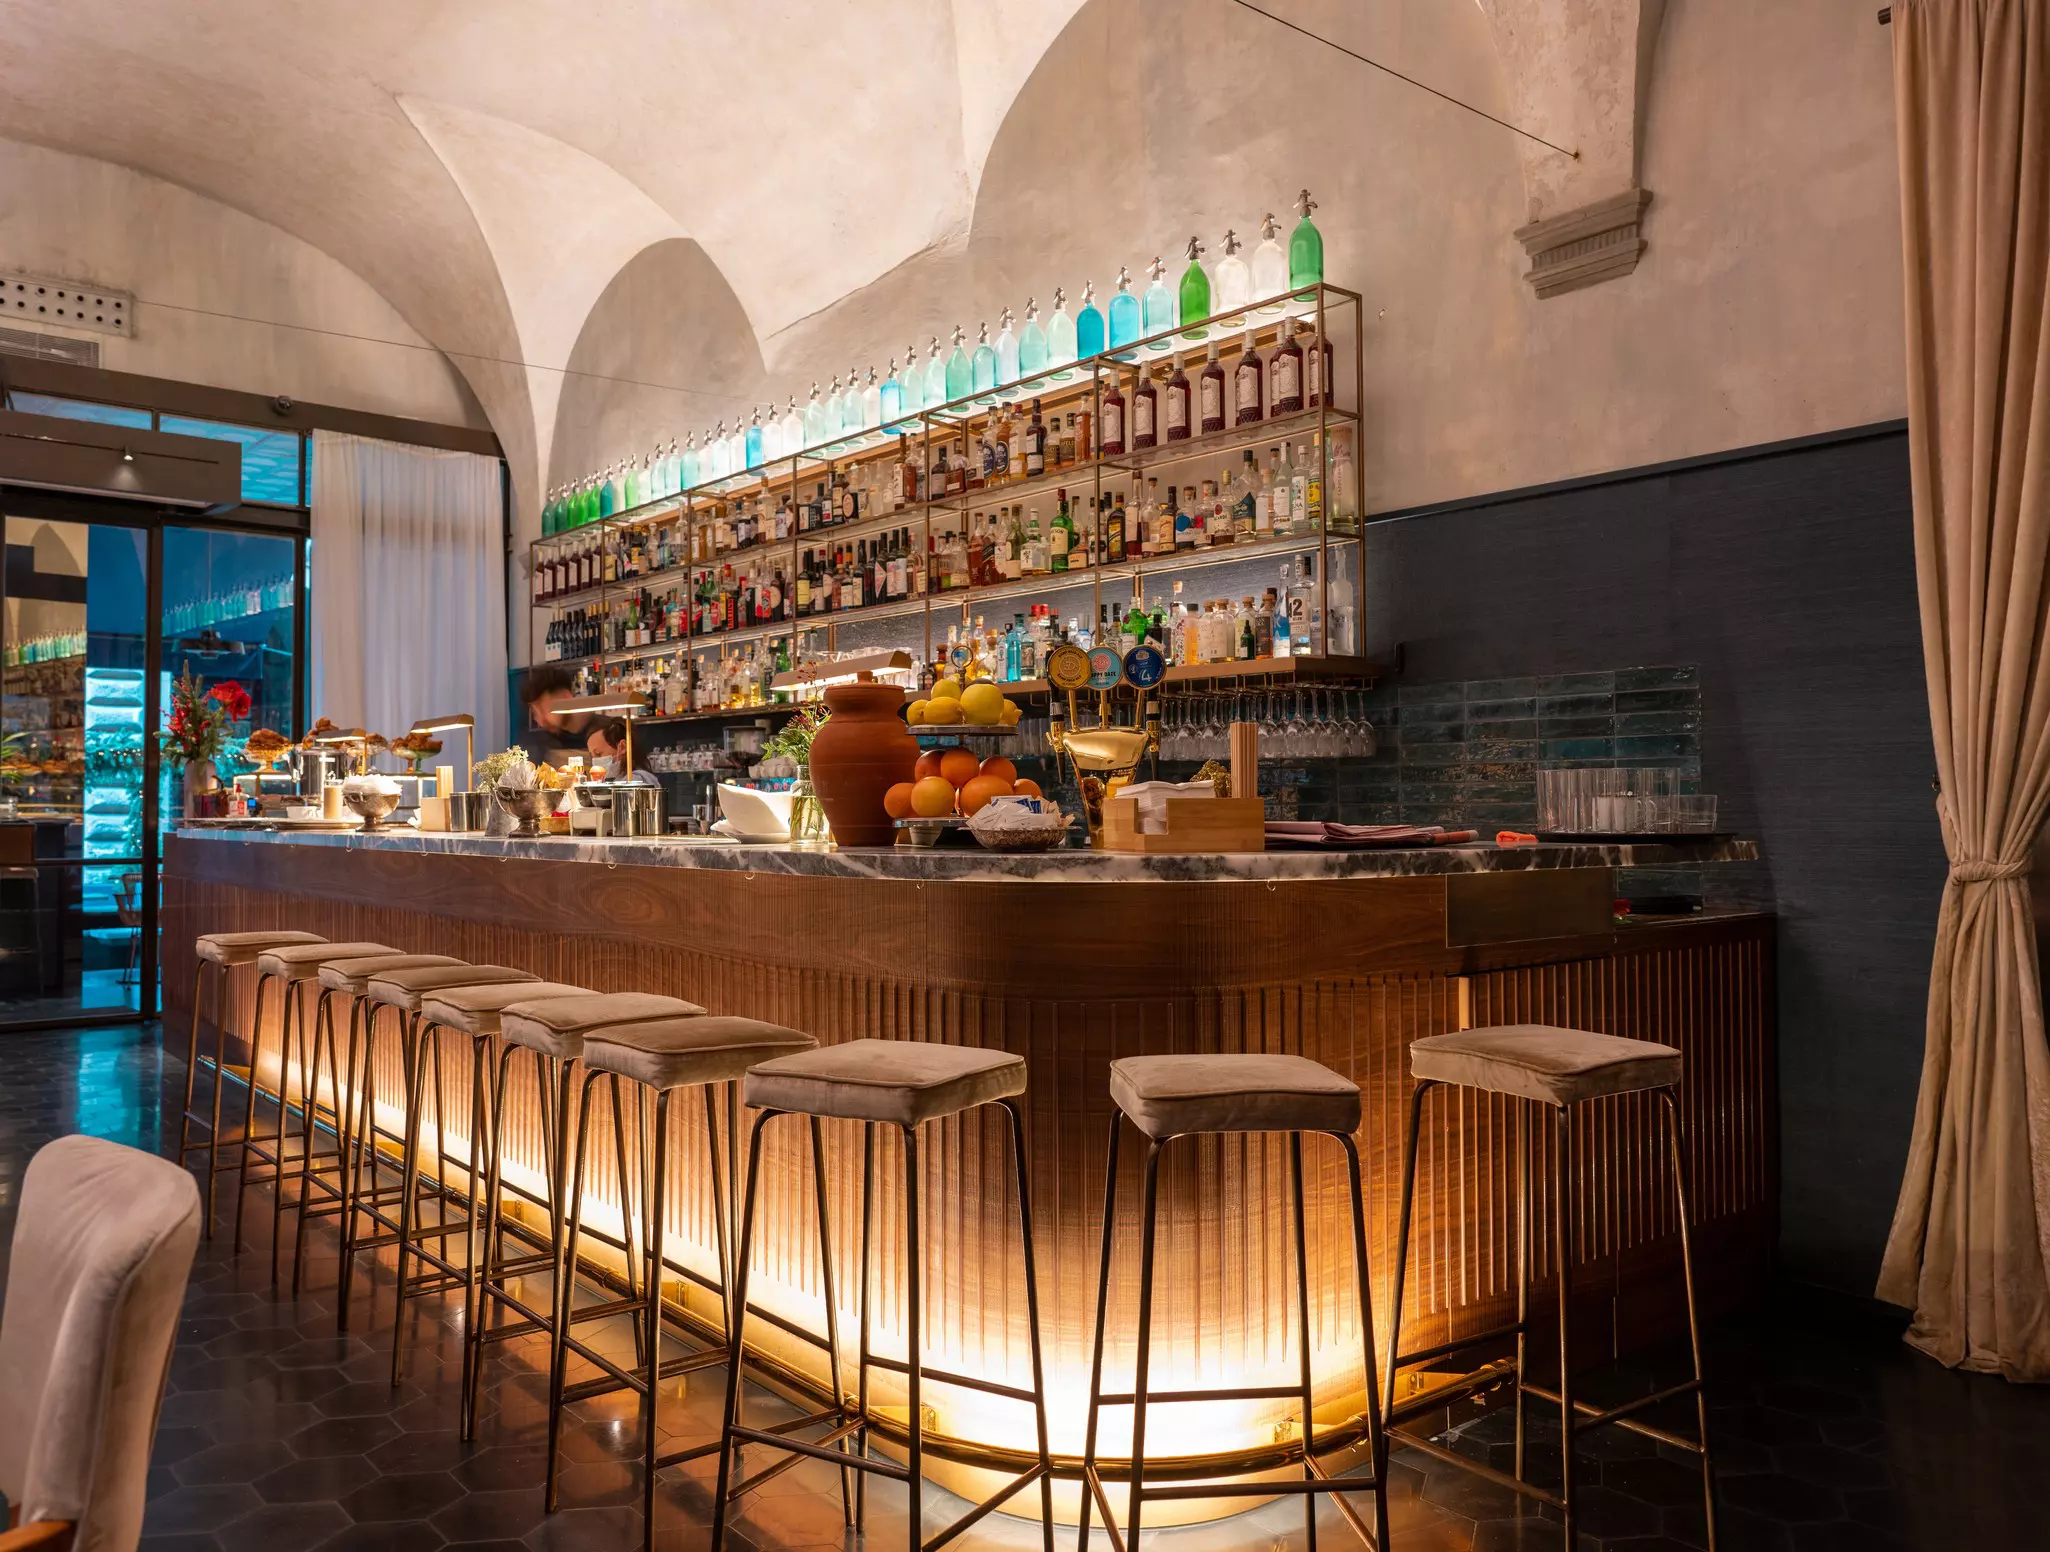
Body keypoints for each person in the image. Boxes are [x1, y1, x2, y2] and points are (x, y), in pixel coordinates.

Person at [517, 665, 591, 767]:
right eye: (535, 713)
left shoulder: (603, 733)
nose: (540, 721)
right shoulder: (544, 744)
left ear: (565, 697)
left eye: (542, 708)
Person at [586, 719, 657, 784]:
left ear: (623, 747)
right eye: (592, 756)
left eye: (598, 754)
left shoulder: (637, 780)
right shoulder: (614, 781)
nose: (595, 762)